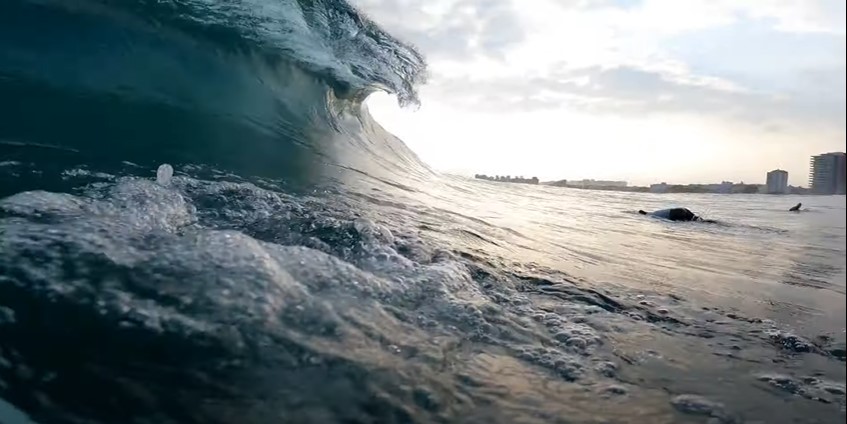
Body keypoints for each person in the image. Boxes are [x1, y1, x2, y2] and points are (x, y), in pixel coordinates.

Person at [638, 207, 713, 222]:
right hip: (682, 209)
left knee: (693, 222)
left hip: (674, 213)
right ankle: (713, 222)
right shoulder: (655, 212)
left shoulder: (651, 215)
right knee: (697, 220)